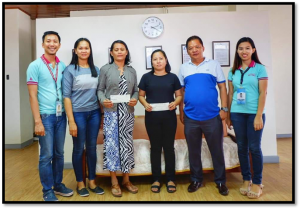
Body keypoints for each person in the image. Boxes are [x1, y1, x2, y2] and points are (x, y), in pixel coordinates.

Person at [178, 35, 229, 196]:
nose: (194, 50)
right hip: (191, 117)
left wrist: (224, 109)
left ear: (202, 48)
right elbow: (181, 91)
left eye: (197, 47)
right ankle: (196, 180)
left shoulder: (213, 64)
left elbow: (222, 87)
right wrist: (181, 111)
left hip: (212, 116)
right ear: (187, 51)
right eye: (191, 48)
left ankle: (221, 181)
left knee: (217, 150)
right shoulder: (184, 68)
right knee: (193, 151)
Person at [26, 31, 73, 201]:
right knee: (46, 155)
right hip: (45, 116)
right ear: (43, 44)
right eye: (48, 41)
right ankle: (47, 190)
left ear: (59, 45)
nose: (52, 44)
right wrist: (37, 121)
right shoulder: (35, 65)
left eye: (55, 41)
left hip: (61, 116)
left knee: (59, 153)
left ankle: (58, 185)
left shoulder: (63, 66)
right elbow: (32, 95)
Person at [62, 38, 104, 197]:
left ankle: (92, 181)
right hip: (77, 114)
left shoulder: (96, 69)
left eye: (87, 48)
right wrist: (71, 121)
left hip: (94, 113)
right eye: (81, 48)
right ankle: (80, 183)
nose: (84, 50)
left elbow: (99, 93)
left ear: (90, 50)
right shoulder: (70, 70)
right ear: (75, 51)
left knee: (92, 148)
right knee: (79, 148)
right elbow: (66, 97)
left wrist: (101, 114)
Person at [227, 37, 268, 199]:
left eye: (247, 48)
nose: (244, 51)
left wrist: (258, 116)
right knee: (242, 148)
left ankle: (257, 182)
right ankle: (246, 179)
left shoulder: (259, 69)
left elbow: (263, 93)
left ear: (253, 50)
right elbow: (231, 94)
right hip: (237, 113)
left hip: (254, 114)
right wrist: (229, 115)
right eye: (240, 48)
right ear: (237, 51)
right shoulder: (233, 71)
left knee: (254, 148)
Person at [97, 40, 139, 197]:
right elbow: (100, 90)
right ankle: (114, 181)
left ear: (126, 52)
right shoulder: (105, 69)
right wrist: (103, 100)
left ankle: (126, 180)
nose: (120, 52)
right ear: (111, 52)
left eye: (122, 49)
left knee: (126, 146)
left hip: (127, 113)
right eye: (116, 49)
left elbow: (136, 90)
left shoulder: (131, 70)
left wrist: (134, 98)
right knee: (112, 146)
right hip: (110, 113)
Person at [138, 49, 182, 193]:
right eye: (155, 59)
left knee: (169, 148)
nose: (158, 61)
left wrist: (175, 103)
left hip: (169, 117)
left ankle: (170, 179)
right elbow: (141, 96)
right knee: (155, 148)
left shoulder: (173, 77)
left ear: (166, 60)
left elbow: (179, 96)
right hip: (152, 117)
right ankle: (156, 179)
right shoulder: (146, 77)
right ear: (152, 62)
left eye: (161, 58)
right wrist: (145, 104)